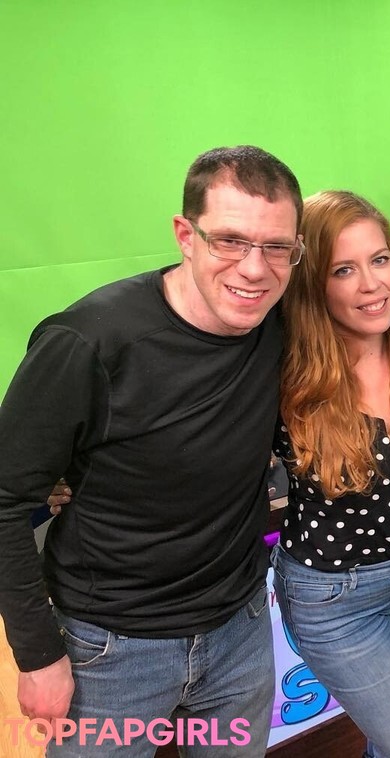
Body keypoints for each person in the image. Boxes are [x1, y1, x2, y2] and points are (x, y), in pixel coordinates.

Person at [0, 146, 303, 755]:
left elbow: (366, 302)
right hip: (110, 653)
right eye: (230, 241)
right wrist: (37, 655)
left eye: (276, 247)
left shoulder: (279, 318)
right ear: (185, 235)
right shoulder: (89, 342)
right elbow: (5, 499)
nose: (254, 269)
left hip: (239, 633)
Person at [270, 190, 390, 758]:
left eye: (379, 260)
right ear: (314, 284)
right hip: (333, 596)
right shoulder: (286, 376)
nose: (370, 284)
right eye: (343, 269)